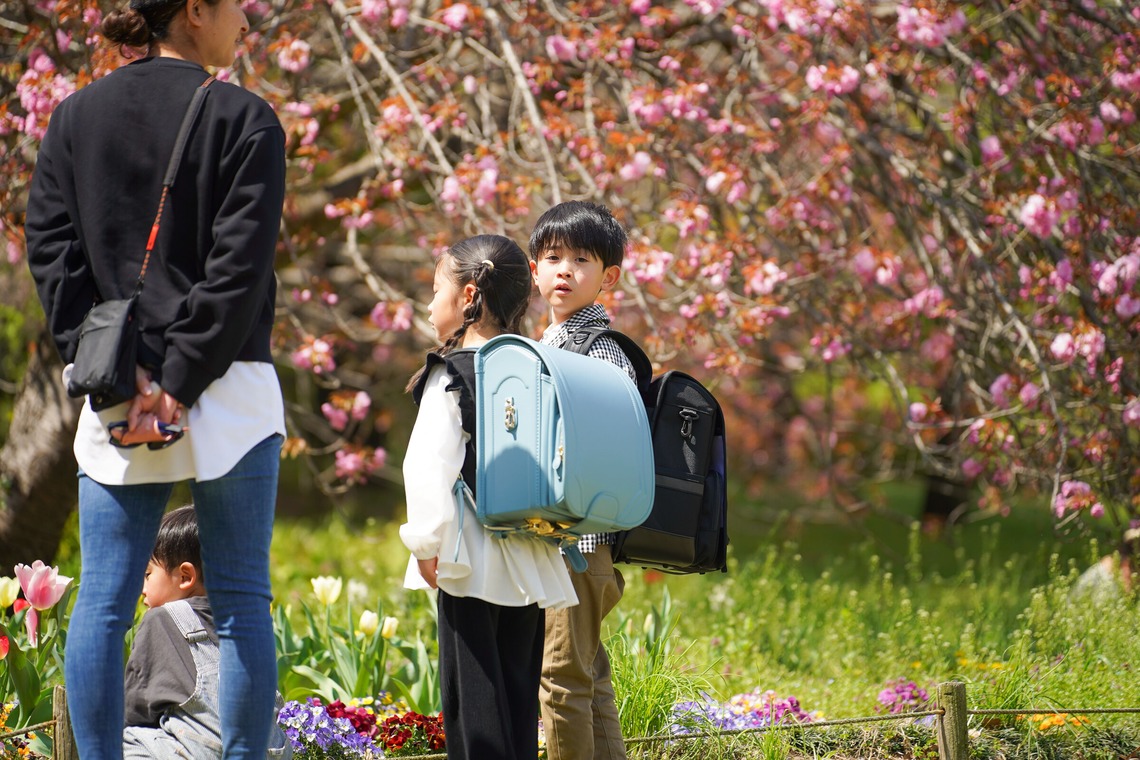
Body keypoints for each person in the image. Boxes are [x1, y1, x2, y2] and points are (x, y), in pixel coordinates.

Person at [24, 0, 287, 756]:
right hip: (228, 385)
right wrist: (179, 378)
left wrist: (121, 372)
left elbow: (52, 252)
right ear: (195, 12)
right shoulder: (246, 117)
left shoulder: (73, 117)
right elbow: (239, 269)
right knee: (240, 602)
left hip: (115, 398)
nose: (246, 15)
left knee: (102, 606)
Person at [399, 235, 578, 760]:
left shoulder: (453, 373)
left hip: (469, 555)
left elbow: (429, 463)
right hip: (534, 550)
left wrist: (426, 541)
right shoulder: (540, 367)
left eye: (437, 291)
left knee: (473, 704)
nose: (431, 304)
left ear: (468, 295)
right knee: (519, 705)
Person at [529, 200, 635, 760]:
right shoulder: (546, 345)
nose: (565, 269)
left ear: (607, 278)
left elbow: (608, 441)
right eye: (553, 257)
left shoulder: (602, 351)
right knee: (588, 682)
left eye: (581, 259)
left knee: (560, 680)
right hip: (560, 543)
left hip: (580, 544)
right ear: (534, 270)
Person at [123, 506, 291, 758]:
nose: (142, 588)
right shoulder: (251, 622)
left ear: (185, 576)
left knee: (118, 736)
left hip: (207, 753)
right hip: (269, 752)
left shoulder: (161, 619)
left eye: (147, 574)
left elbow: (136, 707)